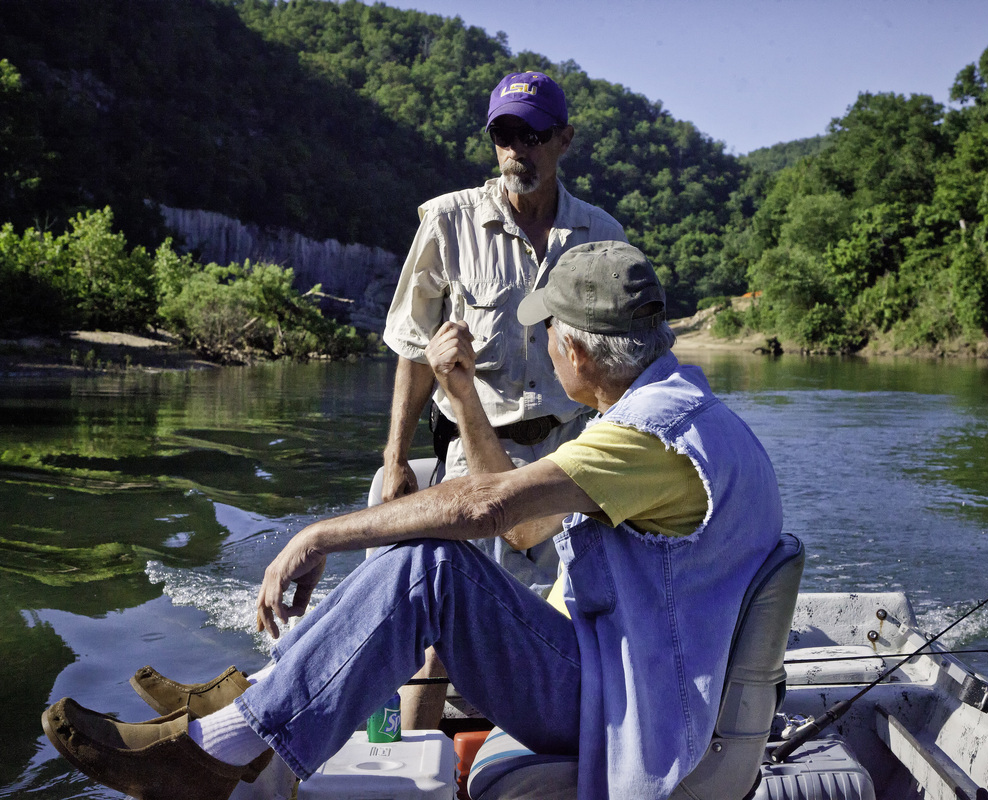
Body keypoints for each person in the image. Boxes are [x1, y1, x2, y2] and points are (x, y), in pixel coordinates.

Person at [42, 241, 783, 800]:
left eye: (548, 332)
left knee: (431, 566)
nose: (545, 345)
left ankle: (223, 747)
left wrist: (316, 533)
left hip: (624, 703)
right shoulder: (674, 411)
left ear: (578, 350)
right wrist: (462, 396)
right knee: (432, 564)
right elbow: (521, 532)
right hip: (621, 673)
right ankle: (234, 723)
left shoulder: (645, 436)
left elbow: (484, 506)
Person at [382, 69, 628, 726]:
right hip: (472, 445)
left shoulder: (603, 236)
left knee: (573, 615)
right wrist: (395, 459)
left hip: (571, 452)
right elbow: (412, 345)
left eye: (533, 135)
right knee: (436, 632)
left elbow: (625, 364)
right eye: (505, 135)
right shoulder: (447, 222)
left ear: (564, 140)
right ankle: (417, 776)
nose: (518, 148)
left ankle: (546, 759)